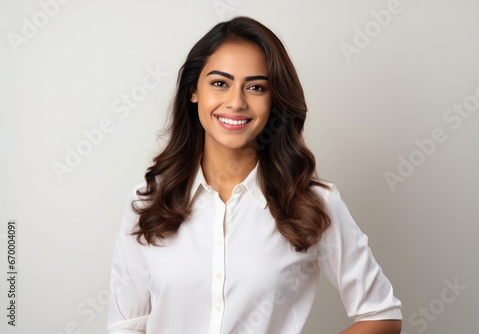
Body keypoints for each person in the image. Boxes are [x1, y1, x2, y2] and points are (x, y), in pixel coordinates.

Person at [107, 16, 402, 334]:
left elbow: (381, 316)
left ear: (274, 100)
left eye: (256, 87)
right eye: (220, 83)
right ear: (194, 91)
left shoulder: (313, 203)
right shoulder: (147, 203)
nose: (236, 102)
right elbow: (126, 326)